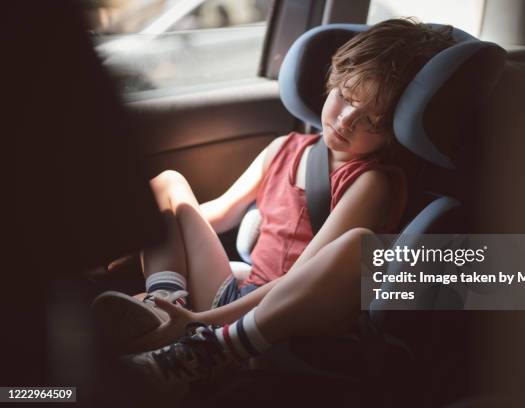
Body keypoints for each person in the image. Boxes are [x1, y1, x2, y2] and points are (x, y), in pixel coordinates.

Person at [93, 17, 455, 392]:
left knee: (356, 247)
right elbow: (216, 214)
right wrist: (144, 235)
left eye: (373, 121)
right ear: (332, 80)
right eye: (346, 98)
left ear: (397, 127)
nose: (347, 121)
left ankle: (205, 348)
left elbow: (303, 275)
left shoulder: (374, 182)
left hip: (293, 315)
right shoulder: (284, 148)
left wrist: (202, 321)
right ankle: (164, 302)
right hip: (237, 295)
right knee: (167, 185)